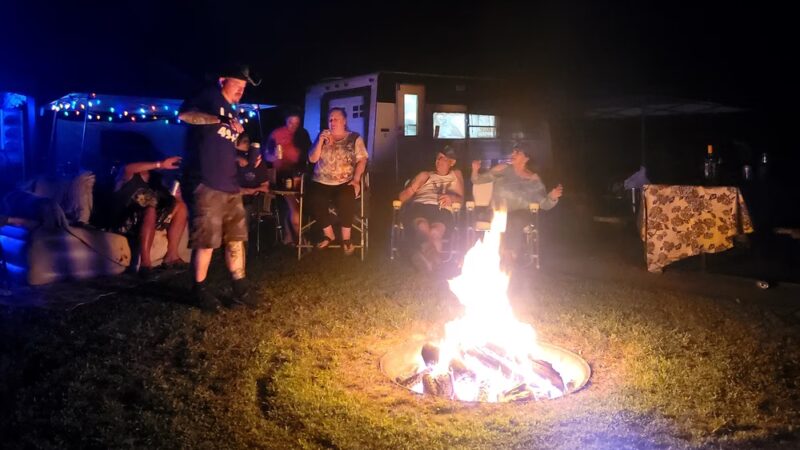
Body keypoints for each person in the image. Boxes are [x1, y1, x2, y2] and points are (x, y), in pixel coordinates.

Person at [178, 65, 260, 311]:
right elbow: (185, 115)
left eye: (244, 89)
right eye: (237, 86)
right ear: (223, 80)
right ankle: (200, 290)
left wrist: (243, 156)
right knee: (206, 241)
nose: (240, 92)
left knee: (235, 239)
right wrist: (219, 118)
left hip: (230, 185)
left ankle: (240, 287)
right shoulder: (208, 97)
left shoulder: (233, 109)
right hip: (206, 183)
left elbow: (218, 143)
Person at [471, 145, 563, 263]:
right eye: (513, 152)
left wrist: (552, 197)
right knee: (501, 219)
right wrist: (475, 169)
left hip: (520, 214)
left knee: (514, 221)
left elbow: (544, 204)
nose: (512, 154)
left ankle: (509, 257)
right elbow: (477, 180)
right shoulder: (502, 168)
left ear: (526, 158)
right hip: (497, 211)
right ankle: (500, 258)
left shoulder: (533, 179)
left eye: (517, 152)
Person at [111, 156, 188, 279]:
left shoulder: (155, 180)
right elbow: (128, 168)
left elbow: (167, 202)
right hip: (125, 221)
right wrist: (160, 164)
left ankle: (171, 256)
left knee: (181, 206)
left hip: (148, 220)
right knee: (150, 209)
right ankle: (145, 264)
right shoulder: (128, 175)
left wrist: (177, 196)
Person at [307, 107, 368, 256]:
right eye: (330, 119)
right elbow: (312, 159)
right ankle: (329, 235)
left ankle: (346, 238)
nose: (332, 122)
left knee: (346, 197)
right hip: (321, 180)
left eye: (336, 119)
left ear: (344, 121)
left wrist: (356, 180)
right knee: (315, 197)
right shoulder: (322, 137)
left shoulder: (354, 138)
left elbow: (362, 160)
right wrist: (320, 141)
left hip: (345, 180)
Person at [397, 147, 464, 272]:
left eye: (442, 158)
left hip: (443, 209)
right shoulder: (425, 175)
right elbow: (401, 198)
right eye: (437, 158)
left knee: (435, 232)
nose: (438, 161)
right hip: (420, 206)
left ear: (452, 162)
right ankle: (435, 264)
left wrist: (451, 198)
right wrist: (413, 188)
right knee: (422, 226)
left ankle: (426, 260)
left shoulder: (456, 175)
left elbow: (461, 199)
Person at [266, 112, 311, 245]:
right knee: (294, 206)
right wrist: (274, 156)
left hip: (300, 173)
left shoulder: (302, 134)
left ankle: (289, 235)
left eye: (297, 123)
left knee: (297, 205)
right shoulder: (277, 134)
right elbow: (267, 155)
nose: (293, 126)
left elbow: (309, 153)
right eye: (291, 122)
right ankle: (299, 237)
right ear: (286, 120)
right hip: (282, 174)